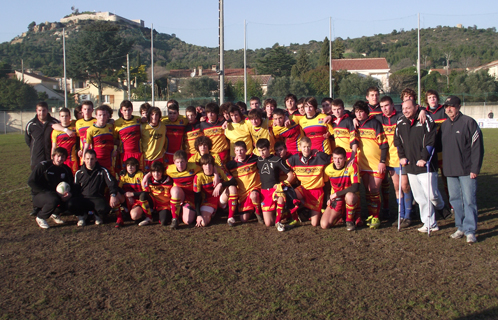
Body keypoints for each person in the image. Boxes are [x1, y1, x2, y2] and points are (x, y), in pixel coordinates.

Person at [394, 99, 445, 233]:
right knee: (419, 197)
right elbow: (398, 141)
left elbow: (431, 139)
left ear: (416, 107)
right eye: (403, 108)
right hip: (410, 165)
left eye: (408, 108)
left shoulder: (425, 119)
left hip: (426, 165)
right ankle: (430, 223)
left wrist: (424, 158)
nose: (405, 111)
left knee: (432, 195)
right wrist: (402, 156)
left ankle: (441, 207)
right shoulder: (400, 122)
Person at [440, 96, 484, 243]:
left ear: (458, 106)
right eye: (446, 106)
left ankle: (470, 230)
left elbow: (477, 147)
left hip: (466, 170)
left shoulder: (469, 122)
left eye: (451, 106)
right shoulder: (445, 126)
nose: (448, 109)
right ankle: (461, 227)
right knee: (455, 200)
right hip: (450, 171)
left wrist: (475, 168)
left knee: (469, 200)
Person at [353, 101, 388, 229]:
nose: (359, 114)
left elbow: (384, 145)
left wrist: (382, 162)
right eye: (356, 112)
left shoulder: (375, 123)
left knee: (374, 190)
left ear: (366, 112)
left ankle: (376, 217)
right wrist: (353, 119)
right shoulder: (355, 125)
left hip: (376, 164)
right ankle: (371, 215)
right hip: (362, 164)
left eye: (361, 111)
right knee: (367, 191)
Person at [286, 137, 331, 227]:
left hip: (317, 191)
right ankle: (299, 213)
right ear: (300, 147)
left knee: (314, 224)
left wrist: (319, 152)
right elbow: (284, 165)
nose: (306, 149)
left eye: (308, 147)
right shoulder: (294, 158)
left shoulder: (318, 157)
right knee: (288, 194)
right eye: (304, 147)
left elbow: (333, 159)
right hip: (303, 189)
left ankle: (306, 210)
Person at [69, 149, 120, 226]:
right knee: (70, 204)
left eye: (92, 159)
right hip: (83, 198)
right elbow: (75, 189)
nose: (90, 161)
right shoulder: (78, 173)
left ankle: (97, 216)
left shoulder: (103, 170)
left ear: (96, 159)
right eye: (87, 159)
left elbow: (112, 183)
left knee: (105, 207)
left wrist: (113, 195)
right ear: (84, 159)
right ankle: (82, 216)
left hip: (97, 198)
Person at [28, 147, 73, 229]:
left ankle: (55, 213)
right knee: (53, 199)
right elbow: (31, 182)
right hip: (40, 195)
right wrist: (45, 191)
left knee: (71, 201)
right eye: (58, 156)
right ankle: (40, 217)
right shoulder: (43, 166)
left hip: (57, 195)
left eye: (62, 157)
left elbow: (71, 184)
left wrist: (69, 194)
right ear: (53, 156)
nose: (60, 159)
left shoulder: (66, 170)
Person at [255, 138, 295, 231]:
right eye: (259, 151)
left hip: (275, 190)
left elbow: (291, 175)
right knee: (268, 223)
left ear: (269, 148)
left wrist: (282, 184)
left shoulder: (277, 160)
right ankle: (285, 213)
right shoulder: (258, 160)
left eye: (264, 150)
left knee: (280, 199)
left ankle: (278, 223)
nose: (262, 153)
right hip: (264, 192)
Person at [193, 154, 237, 227]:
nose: (208, 167)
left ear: (213, 165)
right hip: (208, 202)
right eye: (205, 164)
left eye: (210, 164)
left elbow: (234, 181)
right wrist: (198, 215)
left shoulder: (220, 171)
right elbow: (196, 197)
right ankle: (216, 211)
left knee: (232, 188)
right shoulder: (198, 177)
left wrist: (221, 184)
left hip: (221, 199)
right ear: (202, 166)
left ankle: (230, 217)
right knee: (203, 223)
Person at [225, 141, 264, 224]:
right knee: (244, 219)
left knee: (254, 195)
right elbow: (224, 173)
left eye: (242, 150)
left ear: (246, 150)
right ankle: (252, 209)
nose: (239, 152)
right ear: (234, 151)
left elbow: (264, 160)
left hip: (255, 189)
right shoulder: (231, 165)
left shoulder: (254, 159)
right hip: (243, 194)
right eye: (237, 150)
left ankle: (258, 213)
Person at [323, 147, 360, 231]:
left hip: (348, 196)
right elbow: (327, 186)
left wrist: (336, 194)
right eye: (335, 158)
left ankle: (349, 221)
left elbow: (355, 187)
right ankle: (342, 214)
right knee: (324, 225)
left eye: (340, 158)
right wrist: (328, 198)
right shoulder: (328, 169)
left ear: (345, 158)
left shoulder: (352, 166)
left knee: (350, 196)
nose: (337, 161)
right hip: (337, 200)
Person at [166, 150, 202, 229]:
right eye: (178, 162)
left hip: (191, 196)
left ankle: (181, 209)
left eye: (182, 162)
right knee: (175, 190)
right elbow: (157, 172)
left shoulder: (195, 167)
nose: (180, 165)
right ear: (174, 162)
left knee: (188, 221)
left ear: (186, 161)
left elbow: (207, 168)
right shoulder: (169, 169)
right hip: (179, 193)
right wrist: (147, 177)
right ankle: (175, 219)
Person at [115, 157, 149, 227]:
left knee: (134, 216)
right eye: (128, 166)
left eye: (132, 165)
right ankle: (119, 218)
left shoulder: (141, 175)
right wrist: (126, 194)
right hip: (127, 199)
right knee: (116, 194)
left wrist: (132, 194)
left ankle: (141, 213)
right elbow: (118, 188)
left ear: (136, 166)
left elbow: (146, 191)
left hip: (138, 201)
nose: (130, 167)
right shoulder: (123, 175)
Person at [82, 105, 116, 174]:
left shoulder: (111, 127)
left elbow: (115, 141)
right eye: (100, 115)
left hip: (109, 159)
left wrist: (117, 150)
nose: (102, 117)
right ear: (96, 116)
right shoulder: (90, 130)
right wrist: (84, 160)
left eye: (104, 115)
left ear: (107, 116)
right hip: (97, 160)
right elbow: (86, 147)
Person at [25, 102, 59, 170]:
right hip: (36, 159)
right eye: (39, 110)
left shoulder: (55, 123)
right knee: (37, 179)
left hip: (51, 158)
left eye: (44, 110)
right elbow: (28, 141)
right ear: (36, 111)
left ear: (47, 110)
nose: (42, 113)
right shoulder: (31, 124)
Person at [141, 161, 174, 227]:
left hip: (165, 206)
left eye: (158, 172)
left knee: (164, 222)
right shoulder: (149, 180)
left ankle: (159, 216)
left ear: (162, 172)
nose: (156, 174)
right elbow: (145, 192)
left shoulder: (170, 180)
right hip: (153, 204)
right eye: (153, 172)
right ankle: (149, 217)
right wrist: (146, 176)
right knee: (143, 195)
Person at [114, 100, 143, 171]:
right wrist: (121, 143)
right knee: (124, 175)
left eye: (129, 110)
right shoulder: (117, 123)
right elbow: (114, 140)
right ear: (121, 111)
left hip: (137, 152)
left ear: (132, 110)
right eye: (125, 110)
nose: (127, 112)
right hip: (124, 154)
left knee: (138, 174)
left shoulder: (138, 120)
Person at [51, 108, 79, 174]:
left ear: (70, 117)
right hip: (60, 159)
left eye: (66, 116)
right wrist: (52, 159)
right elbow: (54, 147)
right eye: (62, 116)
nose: (64, 118)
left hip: (72, 159)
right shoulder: (55, 131)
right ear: (59, 117)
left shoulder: (75, 126)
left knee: (73, 178)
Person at [330, 99, 357, 163]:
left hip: (350, 153)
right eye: (334, 109)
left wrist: (352, 157)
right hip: (338, 155)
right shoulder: (333, 122)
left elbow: (355, 140)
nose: (337, 112)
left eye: (339, 109)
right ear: (331, 110)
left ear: (343, 109)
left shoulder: (349, 120)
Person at [161, 100, 188, 165]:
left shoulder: (184, 120)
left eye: (174, 113)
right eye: (170, 113)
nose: (172, 115)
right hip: (166, 153)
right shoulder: (163, 121)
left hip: (179, 154)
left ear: (178, 113)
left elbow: (194, 120)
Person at [141, 107, 168, 172]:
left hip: (159, 158)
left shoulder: (163, 127)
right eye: (152, 114)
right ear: (149, 115)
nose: (154, 117)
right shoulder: (143, 127)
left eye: (156, 114)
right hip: (147, 158)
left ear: (159, 116)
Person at [74, 101, 97, 165]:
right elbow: (78, 138)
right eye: (85, 109)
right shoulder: (78, 123)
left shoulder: (96, 121)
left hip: (94, 152)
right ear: (82, 110)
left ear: (92, 110)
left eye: (89, 109)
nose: (87, 111)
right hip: (83, 152)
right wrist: (79, 149)